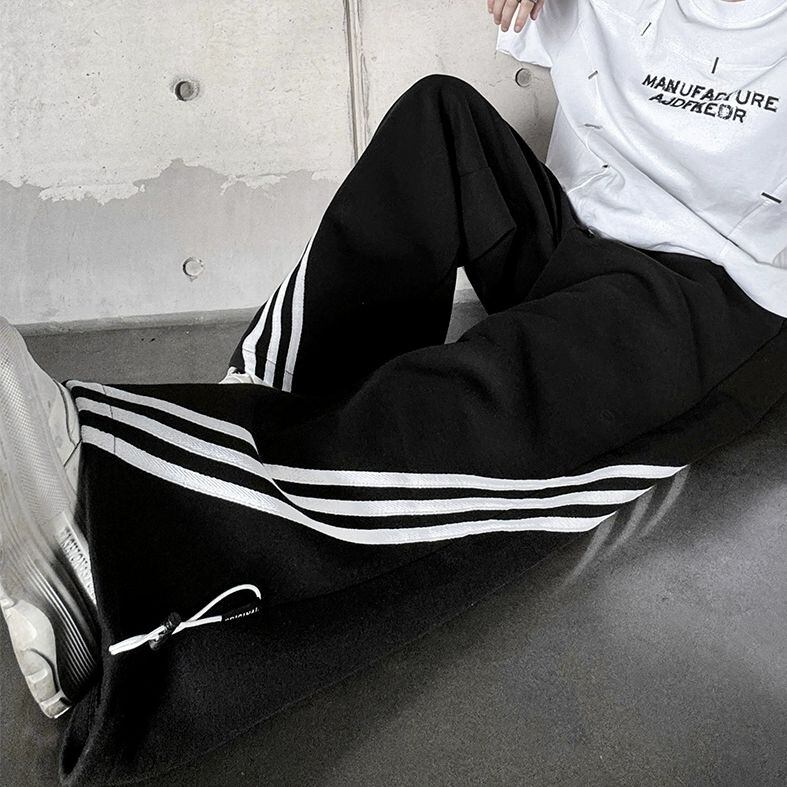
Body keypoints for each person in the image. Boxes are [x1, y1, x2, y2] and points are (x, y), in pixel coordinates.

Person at [1, 1, 785, 784]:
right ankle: (242, 414)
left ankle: (118, 527)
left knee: (473, 403)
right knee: (437, 117)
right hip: (572, 239)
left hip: (714, 295)